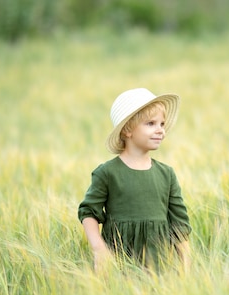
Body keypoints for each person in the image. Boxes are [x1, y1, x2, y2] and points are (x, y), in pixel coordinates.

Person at [78, 88, 191, 272]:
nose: (160, 130)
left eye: (162, 124)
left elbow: (179, 223)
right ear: (128, 130)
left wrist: (185, 263)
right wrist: (99, 249)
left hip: (161, 265)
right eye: (151, 123)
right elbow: (88, 212)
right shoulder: (107, 173)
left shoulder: (167, 174)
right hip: (120, 263)